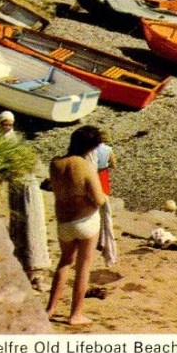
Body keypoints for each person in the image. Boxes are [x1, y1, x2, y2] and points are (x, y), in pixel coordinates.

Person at [45, 125, 107, 326]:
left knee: (64, 262)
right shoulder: (85, 167)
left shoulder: (55, 164)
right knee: (84, 266)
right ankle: (76, 314)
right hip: (85, 221)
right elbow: (98, 199)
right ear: (90, 148)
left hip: (64, 221)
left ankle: (50, 308)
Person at [88, 129, 117, 196]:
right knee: (104, 192)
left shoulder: (91, 149)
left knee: (93, 191)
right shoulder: (109, 149)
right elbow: (113, 164)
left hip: (93, 172)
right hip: (103, 171)